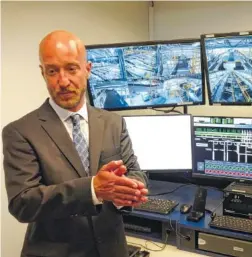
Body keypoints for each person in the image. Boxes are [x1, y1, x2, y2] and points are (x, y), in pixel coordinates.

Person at [2, 30, 149, 257]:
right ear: (43, 73)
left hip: (112, 250)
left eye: (71, 68)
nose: (63, 81)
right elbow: (23, 203)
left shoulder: (113, 122)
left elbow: (135, 173)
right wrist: (93, 189)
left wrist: (129, 191)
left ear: (87, 70)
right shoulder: (20, 132)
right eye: (52, 71)